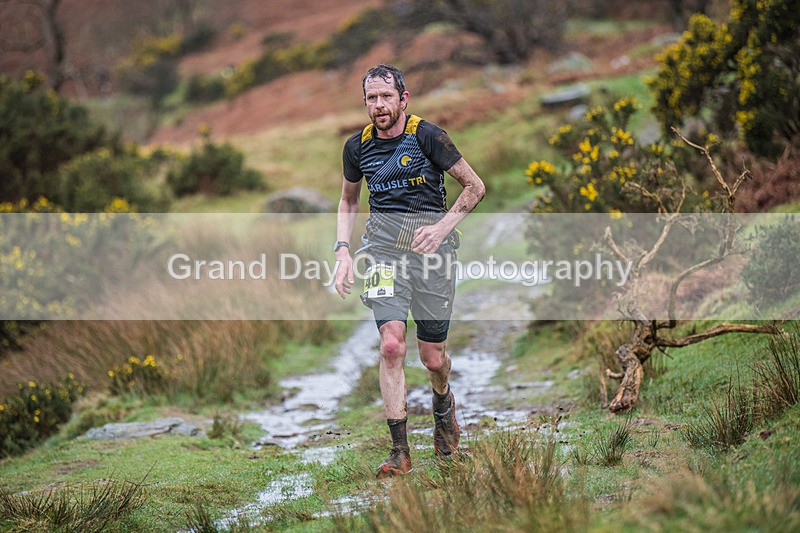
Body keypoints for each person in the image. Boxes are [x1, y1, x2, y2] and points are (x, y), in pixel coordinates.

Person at [334, 64, 486, 478]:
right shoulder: (357, 147)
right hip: (382, 255)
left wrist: (440, 229)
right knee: (390, 346)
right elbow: (349, 201)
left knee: (433, 358)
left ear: (403, 99)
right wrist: (343, 250)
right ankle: (399, 451)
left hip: (433, 257)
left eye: (386, 97)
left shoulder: (428, 136)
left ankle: (443, 406)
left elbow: (475, 187)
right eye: (371, 98)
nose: (379, 105)